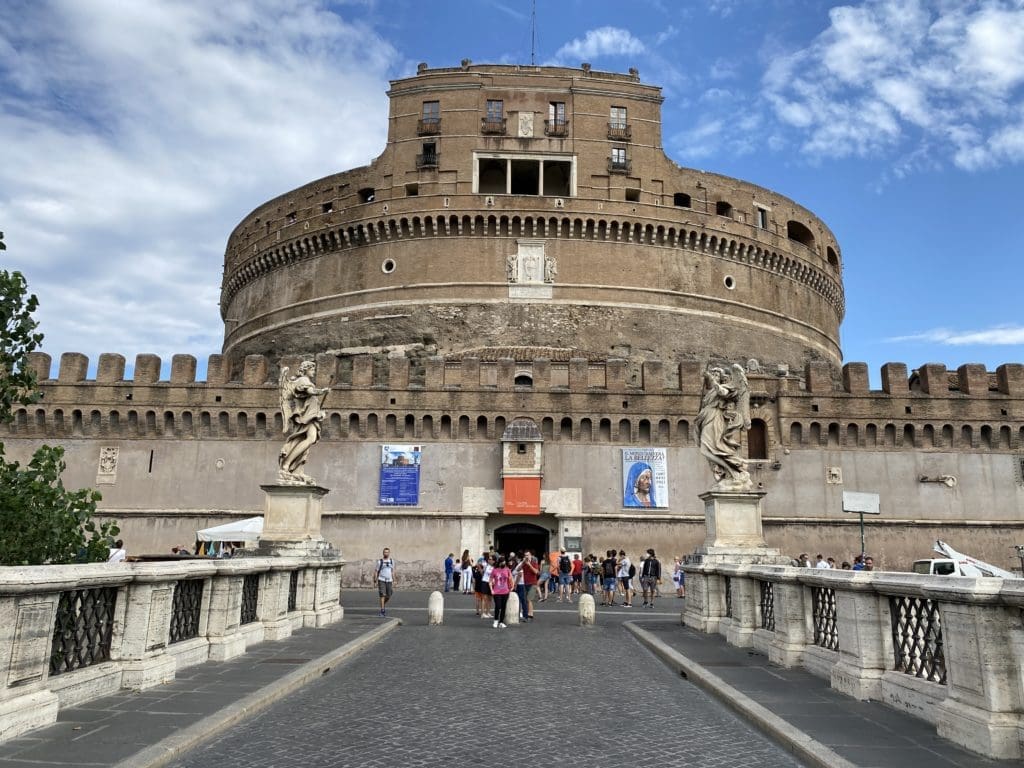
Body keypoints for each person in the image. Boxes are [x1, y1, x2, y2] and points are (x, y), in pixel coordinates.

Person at [695, 364, 752, 490]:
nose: (713, 376)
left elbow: (723, 392)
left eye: (716, 375)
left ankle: (733, 471)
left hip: (715, 419)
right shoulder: (710, 392)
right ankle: (731, 472)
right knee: (706, 449)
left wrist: (713, 381)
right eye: (712, 374)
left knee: (708, 449)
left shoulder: (725, 387)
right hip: (706, 418)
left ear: (721, 378)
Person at [278, 360, 330, 485]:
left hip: (310, 416)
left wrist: (319, 414)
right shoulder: (303, 381)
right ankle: (286, 464)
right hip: (305, 417)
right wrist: (322, 391)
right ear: (305, 369)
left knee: (305, 440)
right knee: (309, 438)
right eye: (312, 369)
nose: (314, 372)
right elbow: (310, 392)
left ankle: (295, 469)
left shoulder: (307, 382)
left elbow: (310, 401)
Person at [489, 556, 513, 629]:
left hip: (505, 591)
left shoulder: (507, 569)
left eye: (504, 562)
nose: (504, 563)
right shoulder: (494, 570)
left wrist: (512, 586)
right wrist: (491, 590)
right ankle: (496, 621)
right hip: (497, 591)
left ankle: (501, 622)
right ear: (499, 563)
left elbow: (511, 578)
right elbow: (490, 581)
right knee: (498, 606)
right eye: (502, 562)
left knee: (503, 607)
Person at [376, 547, 395, 617]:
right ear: (383, 553)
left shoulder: (392, 561)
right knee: (382, 595)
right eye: (385, 552)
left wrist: (394, 579)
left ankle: (383, 604)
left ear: (389, 553)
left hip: (389, 580)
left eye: (387, 552)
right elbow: (376, 571)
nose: (386, 553)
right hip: (381, 579)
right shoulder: (379, 562)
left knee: (389, 595)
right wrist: (375, 579)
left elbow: (392, 571)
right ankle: (382, 610)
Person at [521, 550, 539, 620]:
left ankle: (530, 614)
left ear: (530, 555)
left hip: (533, 583)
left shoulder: (534, 563)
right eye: (525, 555)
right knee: (525, 600)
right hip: (525, 583)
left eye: (528, 555)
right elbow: (518, 569)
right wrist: (522, 563)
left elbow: (536, 572)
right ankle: (527, 613)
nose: (526, 556)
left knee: (529, 599)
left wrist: (529, 565)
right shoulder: (524, 563)